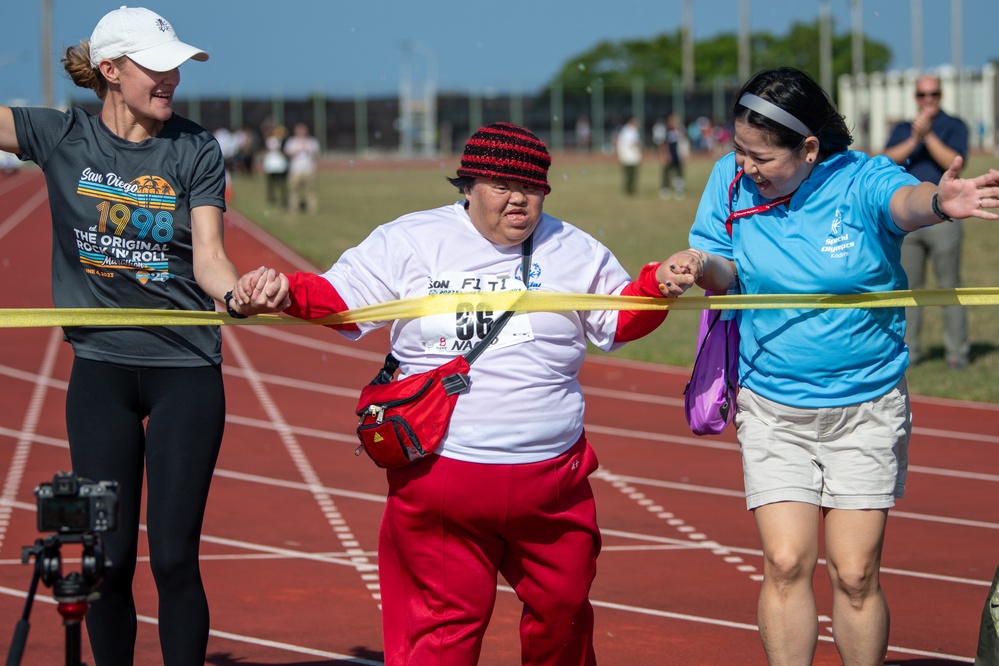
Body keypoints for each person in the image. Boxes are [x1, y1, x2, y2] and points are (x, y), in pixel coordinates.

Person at [264, 122, 675, 664]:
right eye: (502, 185)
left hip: (552, 483)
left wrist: (656, 285)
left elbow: (617, 321)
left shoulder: (574, 248)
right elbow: (340, 299)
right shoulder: (410, 239)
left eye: (531, 187)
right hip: (441, 478)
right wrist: (282, 292)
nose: (518, 199)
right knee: (440, 634)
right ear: (468, 185)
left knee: (564, 616)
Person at [659, 67, 999, 665]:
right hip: (771, 403)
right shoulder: (729, 183)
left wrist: (941, 203)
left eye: (760, 156)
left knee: (855, 572)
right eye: (738, 150)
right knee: (786, 562)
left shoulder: (861, 178)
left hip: (866, 406)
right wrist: (697, 265)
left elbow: (905, 203)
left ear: (809, 147)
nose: (745, 166)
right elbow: (726, 268)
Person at [0, 7, 289, 664]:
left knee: (175, 557)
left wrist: (235, 293)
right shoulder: (61, 135)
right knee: (108, 557)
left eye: (176, 68)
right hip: (100, 372)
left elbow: (210, 257)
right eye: (156, 67)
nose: (171, 80)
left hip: (185, 372)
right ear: (111, 70)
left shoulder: (194, 148)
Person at [884, 74, 971, 369]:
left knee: (949, 286)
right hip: (908, 220)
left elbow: (954, 161)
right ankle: (911, 352)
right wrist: (914, 138)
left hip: (944, 219)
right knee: (909, 289)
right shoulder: (902, 129)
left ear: (940, 95)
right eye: (922, 95)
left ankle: (957, 353)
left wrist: (929, 135)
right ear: (915, 97)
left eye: (933, 94)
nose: (928, 99)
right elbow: (885, 159)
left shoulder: (954, 126)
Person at [284, 121, 320, 213]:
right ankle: (294, 207)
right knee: (294, 190)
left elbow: (317, 155)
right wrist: (297, 150)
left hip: (308, 170)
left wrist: (308, 150)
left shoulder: (312, 141)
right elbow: (287, 154)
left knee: (310, 190)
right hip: (296, 169)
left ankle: (312, 208)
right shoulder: (292, 142)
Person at [654, 113, 686, 200]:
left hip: (677, 155)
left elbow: (683, 143)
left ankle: (679, 190)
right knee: (666, 172)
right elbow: (662, 144)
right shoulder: (665, 130)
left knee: (679, 173)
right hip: (669, 155)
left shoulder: (680, 130)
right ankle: (665, 189)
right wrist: (664, 155)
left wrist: (684, 154)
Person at [616, 116, 642, 195]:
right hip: (629, 154)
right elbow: (632, 143)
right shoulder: (629, 131)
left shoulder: (628, 130)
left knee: (631, 173)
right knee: (630, 173)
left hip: (629, 155)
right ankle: (630, 189)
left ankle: (630, 189)